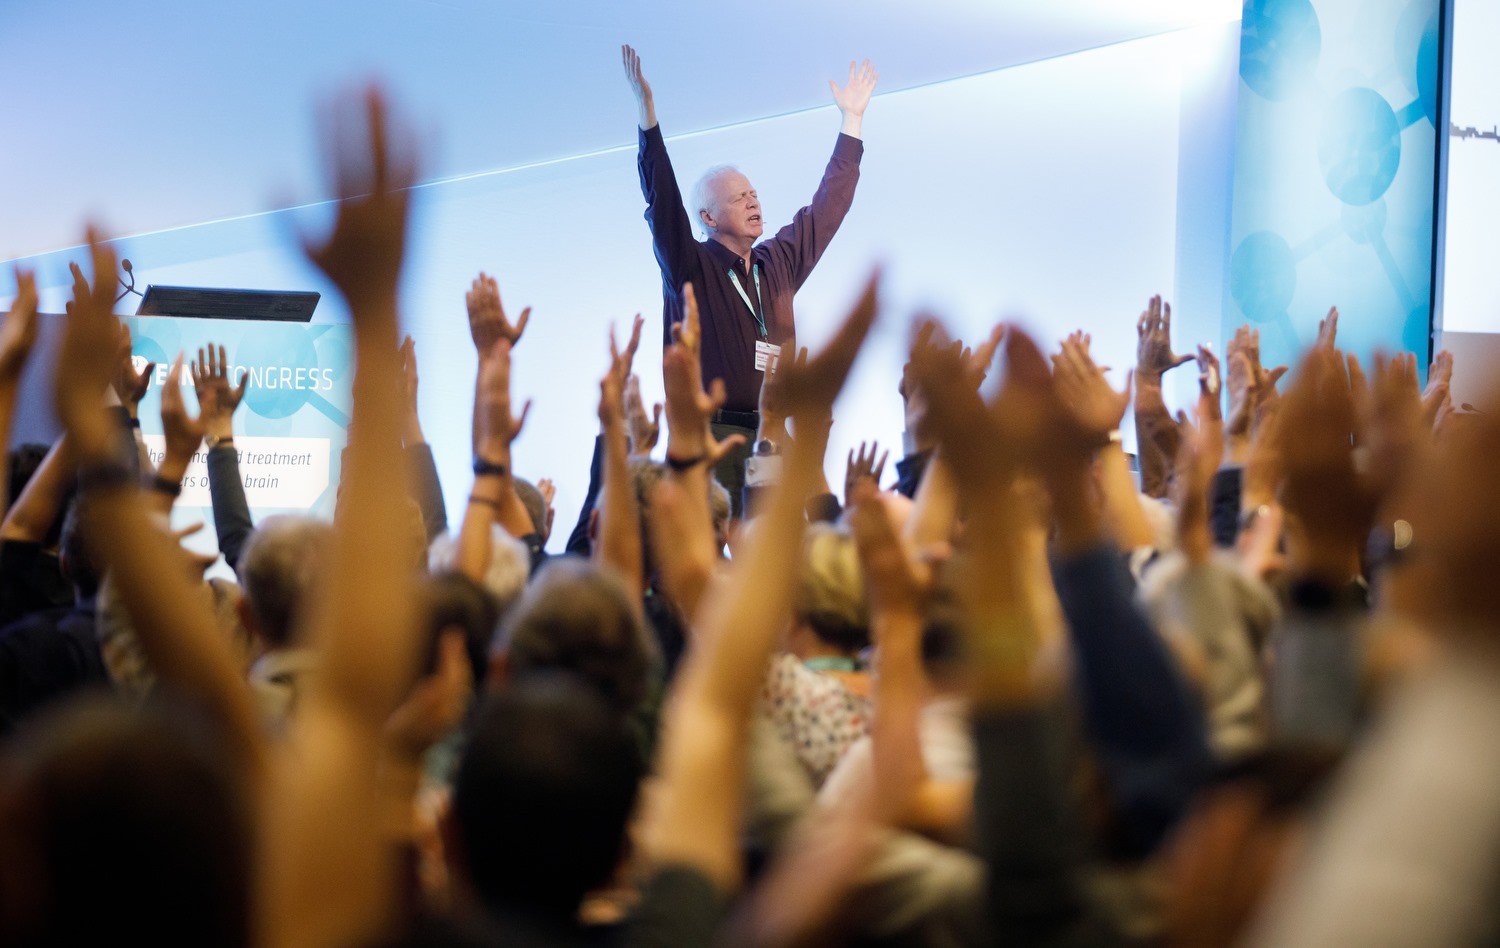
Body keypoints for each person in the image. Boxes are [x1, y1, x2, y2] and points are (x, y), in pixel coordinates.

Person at [622, 44, 877, 513]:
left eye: (754, 193)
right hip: (711, 433)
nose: (753, 202)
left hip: (771, 432)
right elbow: (662, 204)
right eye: (739, 197)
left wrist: (852, 123)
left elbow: (828, 208)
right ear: (708, 216)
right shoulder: (688, 266)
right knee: (712, 539)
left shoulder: (777, 262)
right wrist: (648, 118)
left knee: (769, 547)